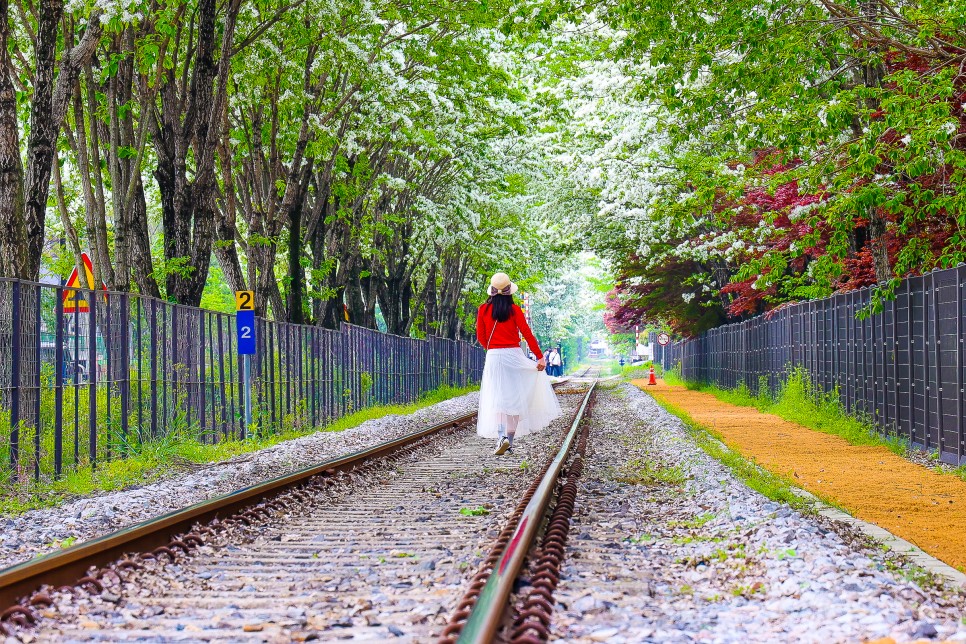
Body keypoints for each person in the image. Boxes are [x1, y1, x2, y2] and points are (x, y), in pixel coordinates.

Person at [476, 273, 562, 455]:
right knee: (514, 398)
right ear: (509, 292)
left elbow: (481, 337)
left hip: (493, 357)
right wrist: (540, 357)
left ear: (492, 291)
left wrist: (492, 349)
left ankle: (501, 438)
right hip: (513, 355)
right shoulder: (514, 310)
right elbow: (527, 334)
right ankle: (510, 441)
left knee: (497, 397)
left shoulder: (483, 309)